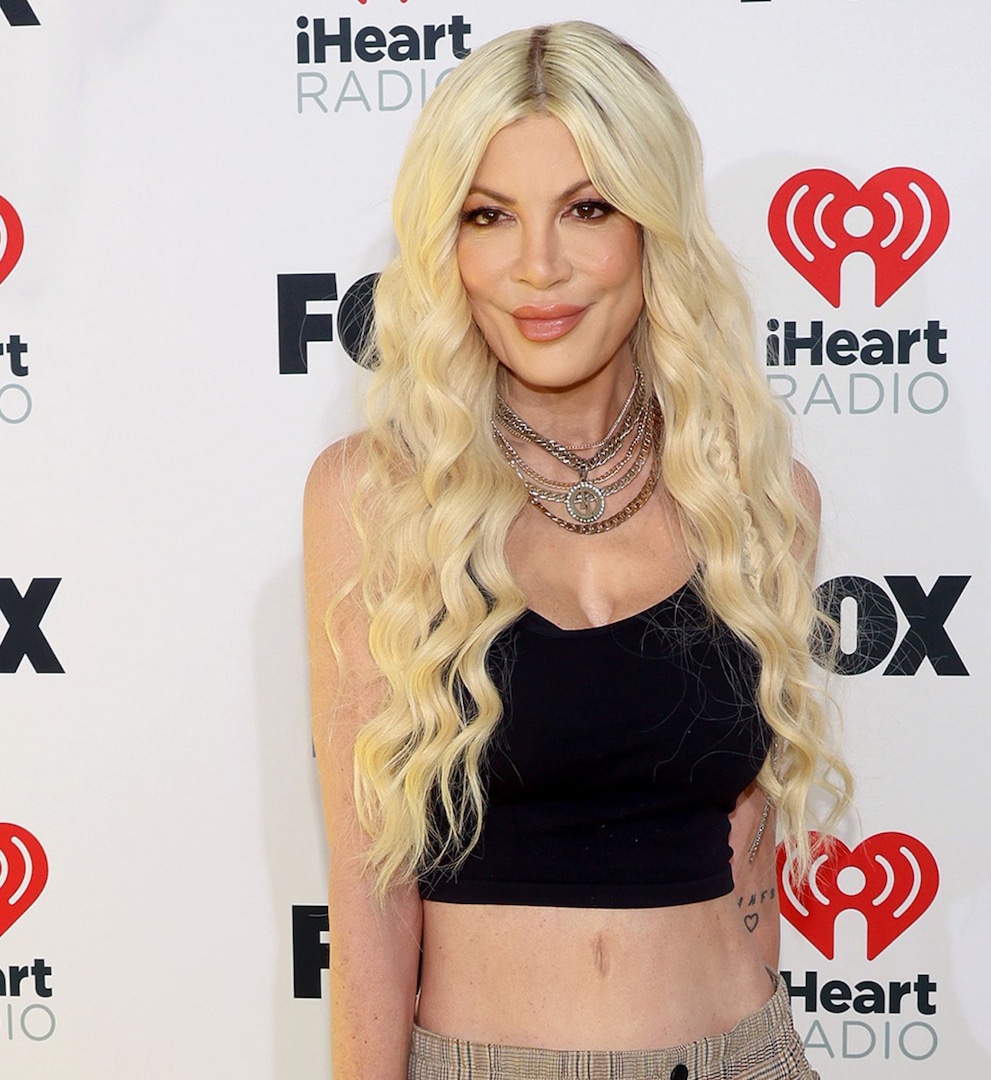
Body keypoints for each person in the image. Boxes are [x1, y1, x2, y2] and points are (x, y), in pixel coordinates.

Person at [304, 21, 850, 1080]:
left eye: (587, 209)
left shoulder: (761, 501)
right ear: (447, 245)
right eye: (490, 216)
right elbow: (369, 888)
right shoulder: (376, 499)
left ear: (652, 228)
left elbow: (751, 863)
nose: (538, 267)